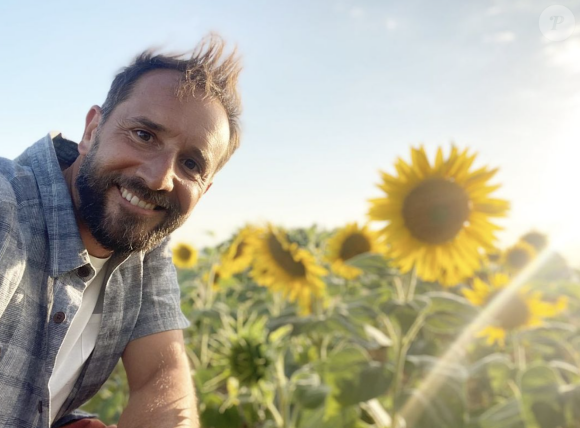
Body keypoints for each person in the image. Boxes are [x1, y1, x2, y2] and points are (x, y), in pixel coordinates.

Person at [0, 34, 242, 428]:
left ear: (205, 191)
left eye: (192, 165)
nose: (160, 177)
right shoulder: (7, 211)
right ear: (92, 130)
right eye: (144, 135)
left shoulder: (144, 243)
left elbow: (160, 382)